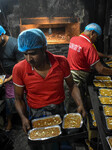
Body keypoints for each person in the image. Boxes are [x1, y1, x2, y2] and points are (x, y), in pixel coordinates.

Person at [12, 28, 86, 132]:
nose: (29, 59)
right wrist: (23, 118)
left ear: (44, 48)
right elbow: (18, 98)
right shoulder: (19, 69)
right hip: (36, 113)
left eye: (33, 53)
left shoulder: (61, 62)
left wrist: (80, 104)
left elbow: (72, 85)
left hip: (59, 109)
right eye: (25, 54)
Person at [65, 23, 112, 113]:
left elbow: (91, 53)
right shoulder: (88, 46)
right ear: (92, 33)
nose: (96, 39)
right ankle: (79, 125)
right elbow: (100, 69)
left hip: (68, 76)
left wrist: (107, 56)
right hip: (77, 81)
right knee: (76, 107)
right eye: (96, 37)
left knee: (70, 103)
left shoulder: (74, 39)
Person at [0, 25, 24, 131]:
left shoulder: (15, 44)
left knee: (14, 98)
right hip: (5, 75)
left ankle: (24, 119)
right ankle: (10, 121)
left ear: (2, 34)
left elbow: (21, 67)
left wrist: (8, 80)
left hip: (18, 75)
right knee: (8, 98)